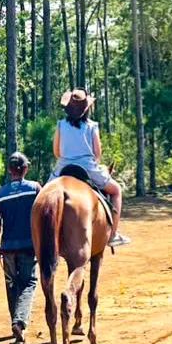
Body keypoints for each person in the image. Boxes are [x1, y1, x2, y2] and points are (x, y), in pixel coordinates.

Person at [51, 88, 129, 247]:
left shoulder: (60, 125)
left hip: (63, 167)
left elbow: (57, 152)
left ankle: (34, 237)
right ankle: (113, 234)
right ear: (86, 109)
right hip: (88, 168)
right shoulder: (92, 126)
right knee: (116, 190)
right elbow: (97, 154)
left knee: (41, 196)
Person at [0, 152, 41, 344]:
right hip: (29, 246)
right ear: (25, 169)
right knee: (28, 283)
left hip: (8, 248)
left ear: (10, 170)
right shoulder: (35, 189)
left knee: (12, 285)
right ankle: (19, 322)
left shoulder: (0, 194)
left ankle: (16, 329)